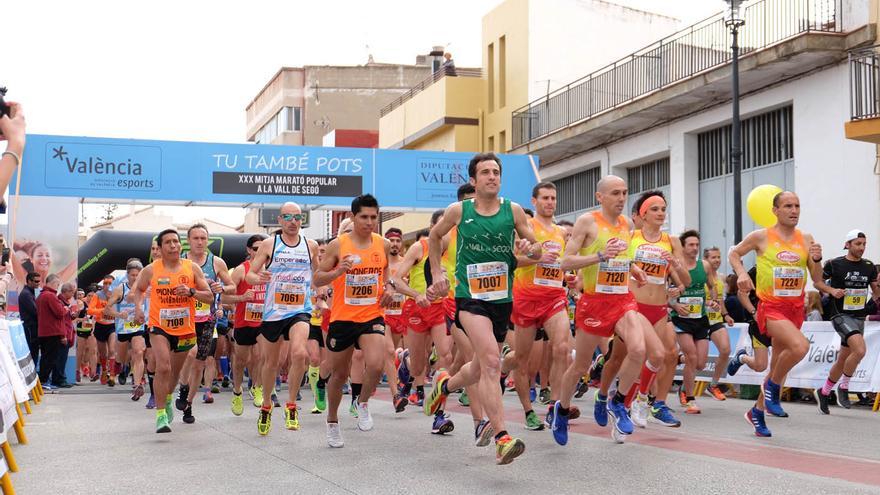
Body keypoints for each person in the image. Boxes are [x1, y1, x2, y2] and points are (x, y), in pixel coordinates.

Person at [424, 153, 541, 464]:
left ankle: (444, 385)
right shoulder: (458, 211)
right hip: (470, 299)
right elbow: (434, 237)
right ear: (473, 181)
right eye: (485, 172)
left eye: (496, 172)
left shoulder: (513, 210)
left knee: (478, 368)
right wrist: (437, 273)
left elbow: (537, 248)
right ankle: (502, 437)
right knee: (491, 361)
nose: (492, 176)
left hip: (502, 300)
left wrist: (530, 247)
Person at [551, 175, 652, 445]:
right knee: (581, 366)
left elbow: (622, 256)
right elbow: (565, 263)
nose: (621, 198)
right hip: (594, 302)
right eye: (615, 193)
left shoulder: (627, 224)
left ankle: (617, 402)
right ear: (600, 197)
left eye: (624, 192)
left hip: (622, 300)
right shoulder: (587, 222)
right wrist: (598, 256)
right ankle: (561, 410)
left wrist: (635, 269)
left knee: (639, 349)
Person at [728, 191, 831, 437]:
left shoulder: (806, 239)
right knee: (800, 347)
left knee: (778, 367)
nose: (793, 210)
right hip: (770, 308)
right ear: (775, 210)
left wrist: (816, 259)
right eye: (787, 206)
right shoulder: (761, 236)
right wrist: (741, 274)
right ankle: (773, 387)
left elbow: (816, 279)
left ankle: (757, 413)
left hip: (795, 310)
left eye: (797, 205)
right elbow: (734, 253)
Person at [314, 195, 397, 447]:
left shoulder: (382, 244)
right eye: (364, 217)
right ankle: (332, 421)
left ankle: (361, 402)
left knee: (376, 363)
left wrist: (389, 287)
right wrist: (338, 271)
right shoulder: (338, 246)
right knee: (338, 375)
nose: (369, 222)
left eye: (373, 217)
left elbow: (386, 272)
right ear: (353, 217)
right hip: (342, 318)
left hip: (372, 314)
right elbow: (317, 278)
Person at [501, 182, 573, 431]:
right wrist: (537, 257)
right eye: (545, 198)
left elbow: (561, 263)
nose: (550, 202)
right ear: (534, 201)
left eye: (553, 198)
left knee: (562, 348)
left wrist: (568, 277)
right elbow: (510, 262)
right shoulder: (525, 228)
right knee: (522, 360)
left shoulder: (562, 232)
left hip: (554, 298)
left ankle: (554, 407)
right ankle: (527, 410)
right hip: (526, 299)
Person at [130, 229, 215, 433]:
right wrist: (139, 308)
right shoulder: (151, 270)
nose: (173, 245)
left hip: (185, 328)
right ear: (159, 248)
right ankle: (160, 416)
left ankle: (168, 398)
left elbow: (209, 296)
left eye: (176, 241)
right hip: (159, 325)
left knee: (175, 372)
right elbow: (139, 290)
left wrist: (191, 292)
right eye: (168, 242)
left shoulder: (191, 268)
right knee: (164, 367)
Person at [247, 204, 320, 435]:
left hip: (299, 310)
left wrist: (322, 293)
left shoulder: (311, 246)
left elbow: (318, 275)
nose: (292, 221)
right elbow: (250, 274)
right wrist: (258, 278)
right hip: (273, 312)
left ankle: (291, 405)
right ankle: (266, 406)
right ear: (280, 219)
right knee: (271, 364)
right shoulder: (270, 244)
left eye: (297, 217)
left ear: (302, 220)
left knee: (299, 354)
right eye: (288, 217)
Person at [391, 213, 455, 433]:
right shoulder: (419, 247)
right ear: (432, 228)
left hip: (442, 307)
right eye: (441, 227)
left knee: (445, 355)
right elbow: (396, 280)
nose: (445, 233)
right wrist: (416, 294)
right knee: (419, 367)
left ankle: (439, 415)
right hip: (417, 307)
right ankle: (406, 363)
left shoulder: (457, 247)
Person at [814, 230, 880, 413]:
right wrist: (832, 290)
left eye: (864, 244)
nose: (862, 248)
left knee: (843, 359)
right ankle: (844, 387)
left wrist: (875, 299)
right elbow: (817, 283)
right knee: (860, 350)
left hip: (858, 316)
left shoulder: (869, 266)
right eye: (858, 244)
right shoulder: (835, 264)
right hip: (840, 314)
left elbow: (875, 291)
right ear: (848, 244)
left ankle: (824, 391)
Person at [178, 224, 234, 423]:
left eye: (203, 238)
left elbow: (232, 286)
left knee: (199, 364)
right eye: (196, 238)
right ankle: (183, 388)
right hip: (184, 317)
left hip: (208, 318)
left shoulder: (216, 262)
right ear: (189, 241)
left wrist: (223, 287)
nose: (200, 242)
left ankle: (189, 404)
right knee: (190, 355)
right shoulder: (180, 261)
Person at [669, 230, 722, 415]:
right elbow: (664, 293)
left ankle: (678, 365)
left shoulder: (704, 265)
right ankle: (690, 399)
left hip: (700, 318)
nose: (695, 248)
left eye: (697, 245)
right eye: (691, 245)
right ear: (682, 247)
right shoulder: (674, 267)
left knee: (700, 363)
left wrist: (713, 300)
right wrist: (675, 306)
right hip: (681, 320)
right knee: (692, 357)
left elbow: (711, 285)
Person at [221, 234, 267, 416]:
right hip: (244, 321)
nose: (260, 252)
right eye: (256, 249)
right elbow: (224, 298)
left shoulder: (270, 269)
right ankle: (237, 391)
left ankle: (257, 387)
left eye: (263, 249)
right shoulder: (241, 270)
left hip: (264, 322)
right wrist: (241, 297)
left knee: (261, 356)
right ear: (249, 250)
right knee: (241, 361)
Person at [104, 261, 147, 401]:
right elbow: (107, 309)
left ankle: (136, 385)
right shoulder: (120, 289)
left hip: (138, 326)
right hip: (123, 328)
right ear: (127, 275)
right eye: (132, 275)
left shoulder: (146, 287)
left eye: (138, 275)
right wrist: (119, 315)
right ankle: (120, 365)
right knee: (121, 357)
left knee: (139, 352)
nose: (135, 278)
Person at [703, 247, 735, 401]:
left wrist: (726, 314)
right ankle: (684, 390)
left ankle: (713, 385)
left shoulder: (721, 277)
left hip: (715, 319)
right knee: (696, 361)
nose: (717, 260)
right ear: (706, 260)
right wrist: (707, 302)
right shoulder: (699, 276)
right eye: (713, 257)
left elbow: (720, 299)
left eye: (718, 257)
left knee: (725, 350)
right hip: (700, 320)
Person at [37, 276, 76, 389]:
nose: (58, 287)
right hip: (52, 333)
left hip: (44, 332)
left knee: (47, 358)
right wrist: (65, 309)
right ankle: (43, 381)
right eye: (57, 284)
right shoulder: (50, 296)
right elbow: (59, 313)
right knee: (50, 359)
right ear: (53, 283)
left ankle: (43, 380)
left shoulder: (41, 296)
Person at [89, 275, 118, 386]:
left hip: (112, 326)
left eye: (110, 283)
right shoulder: (98, 295)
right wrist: (103, 311)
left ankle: (112, 375)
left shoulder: (117, 295)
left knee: (111, 350)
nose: (107, 285)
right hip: (100, 326)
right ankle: (104, 371)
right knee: (103, 354)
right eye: (105, 283)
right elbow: (90, 310)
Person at [19, 271, 40, 365]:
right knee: (32, 352)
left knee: (34, 352)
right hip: (30, 328)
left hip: (32, 327)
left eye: (39, 281)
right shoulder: (26, 294)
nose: (38, 283)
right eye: (36, 281)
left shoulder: (31, 293)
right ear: (29, 281)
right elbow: (35, 312)